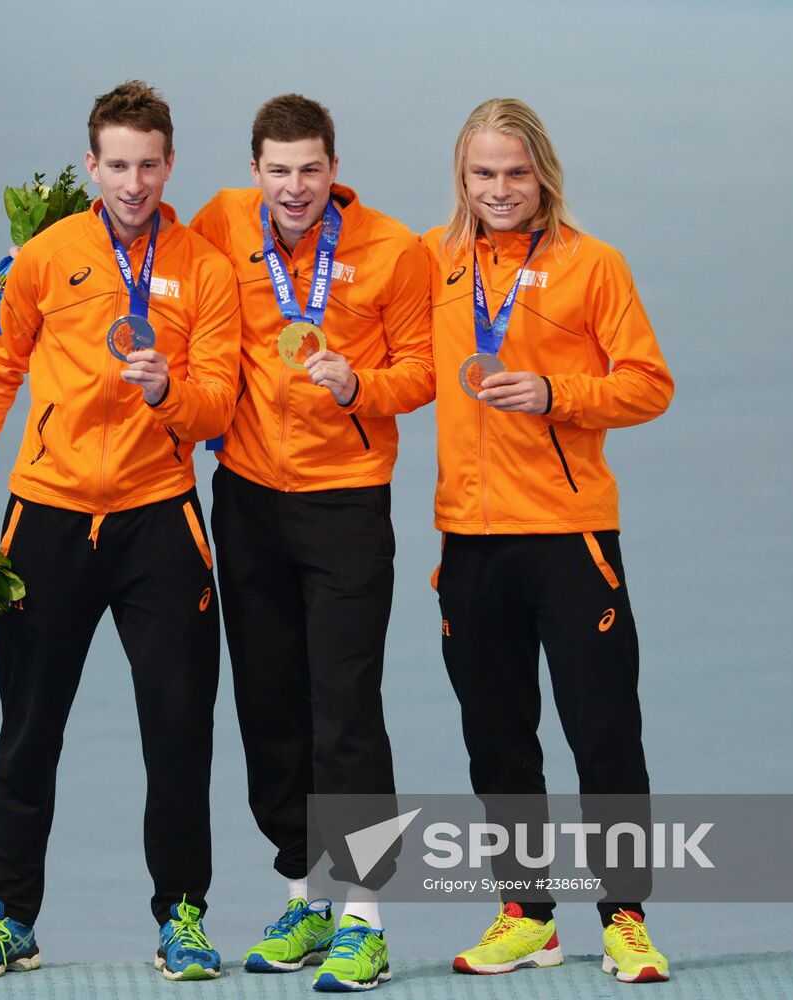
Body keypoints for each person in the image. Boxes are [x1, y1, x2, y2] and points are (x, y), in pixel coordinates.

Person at [0, 80, 241, 983]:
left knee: (179, 727)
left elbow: (219, 400)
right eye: (118, 165)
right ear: (90, 166)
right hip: (51, 516)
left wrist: (166, 394)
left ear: (171, 164)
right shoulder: (47, 253)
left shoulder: (205, 267)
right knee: (29, 726)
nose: (135, 182)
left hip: (159, 517)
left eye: (150, 165)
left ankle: (182, 915)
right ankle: (6, 917)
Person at [423, 98, 675, 984]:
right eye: (483, 173)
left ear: (544, 176)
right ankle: (527, 913)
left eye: (516, 173)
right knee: (497, 736)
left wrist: (556, 392)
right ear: (463, 176)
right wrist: (343, 385)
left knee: (603, 731)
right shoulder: (436, 261)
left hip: (570, 538)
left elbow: (648, 383)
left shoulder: (591, 264)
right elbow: (412, 370)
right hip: (471, 538)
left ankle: (627, 918)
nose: (500, 190)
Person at [191, 94, 433, 992]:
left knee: (346, 710)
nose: (295, 188)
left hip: (346, 507)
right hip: (248, 499)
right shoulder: (220, 223)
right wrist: (35, 260)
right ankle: (304, 894)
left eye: (312, 170)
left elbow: (421, 370)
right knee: (269, 706)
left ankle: (364, 916)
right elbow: (129, 239)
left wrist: (356, 384)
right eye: (279, 170)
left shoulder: (392, 248)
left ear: (336, 169)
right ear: (254, 169)